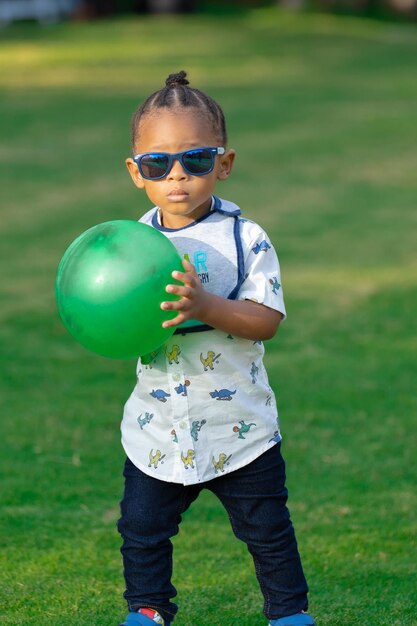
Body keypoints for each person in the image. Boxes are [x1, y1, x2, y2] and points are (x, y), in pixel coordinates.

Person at [118, 70, 315, 626]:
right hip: (158, 427)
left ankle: (289, 613)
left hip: (239, 427)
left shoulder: (244, 237)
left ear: (224, 163)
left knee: (267, 529)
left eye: (196, 160)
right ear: (137, 173)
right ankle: (148, 609)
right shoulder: (132, 244)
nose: (177, 175)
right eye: (158, 164)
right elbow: (118, 321)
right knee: (141, 528)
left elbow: (266, 320)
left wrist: (205, 307)